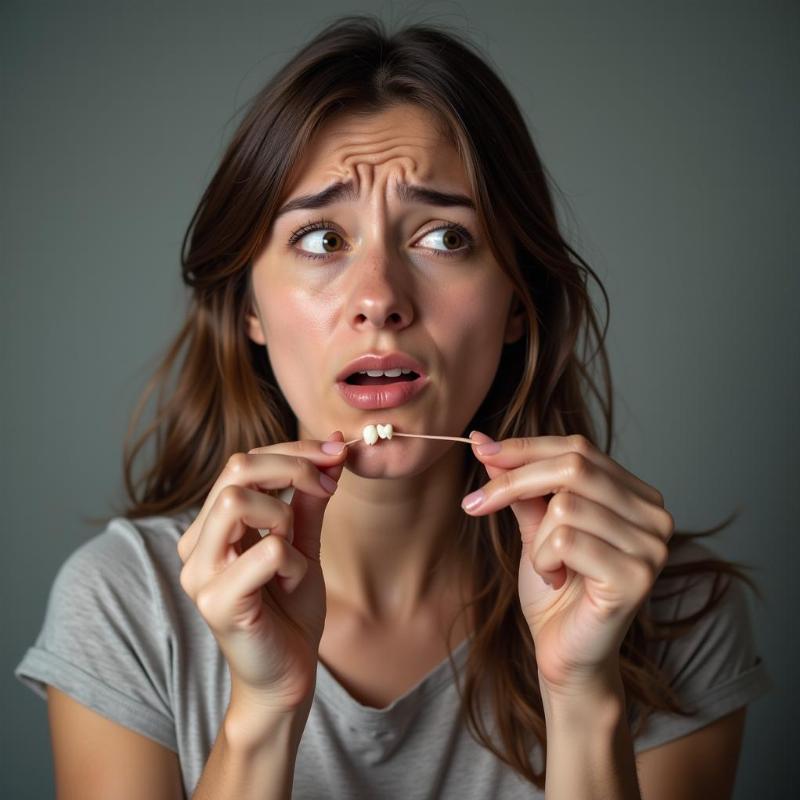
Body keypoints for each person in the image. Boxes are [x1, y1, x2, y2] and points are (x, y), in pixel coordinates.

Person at [15, 14, 771, 800]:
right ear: (249, 309)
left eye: (444, 237)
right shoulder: (126, 606)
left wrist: (583, 695)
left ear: (518, 301)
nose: (379, 300)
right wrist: (265, 709)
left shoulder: (661, 604)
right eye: (320, 239)